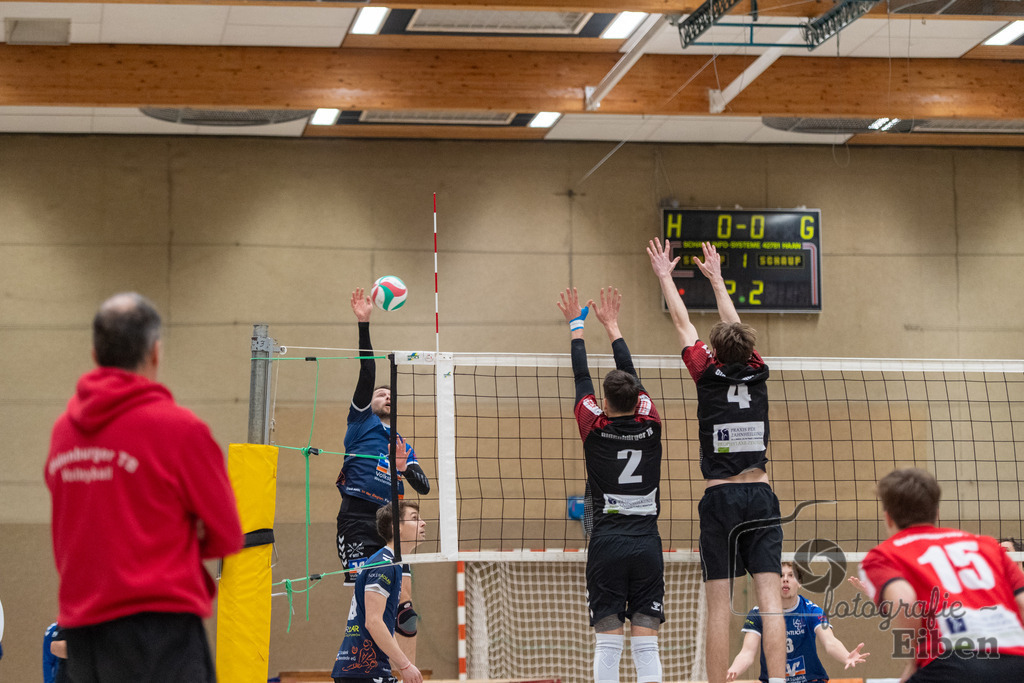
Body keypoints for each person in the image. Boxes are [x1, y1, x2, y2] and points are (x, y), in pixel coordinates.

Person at [44, 292, 243, 683]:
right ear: (155, 352)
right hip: (159, 632)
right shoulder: (180, 429)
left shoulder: (62, 432)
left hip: (82, 632)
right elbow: (227, 535)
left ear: (94, 352)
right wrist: (163, 550)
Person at [647, 238, 785, 683]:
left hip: (722, 499)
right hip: (761, 494)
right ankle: (778, 680)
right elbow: (736, 327)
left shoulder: (706, 373)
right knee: (770, 601)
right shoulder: (758, 369)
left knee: (719, 606)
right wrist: (719, 280)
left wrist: (666, 277)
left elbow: (684, 323)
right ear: (747, 350)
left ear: (714, 351)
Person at [557, 286, 665, 683]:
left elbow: (581, 377)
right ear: (638, 401)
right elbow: (631, 377)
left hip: (607, 543)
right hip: (646, 544)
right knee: (646, 643)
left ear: (605, 404)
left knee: (607, 643)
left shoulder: (593, 425)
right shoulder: (651, 423)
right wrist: (614, 326)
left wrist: (577, 326)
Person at [859, 467, 1024, 682]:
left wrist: (914, 662)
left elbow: (906, 603)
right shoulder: (987, 546)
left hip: (952, 662)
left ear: (888, 518)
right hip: (1016, 663)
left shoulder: (882, 556)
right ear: (936, 512)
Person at [337, 288, 431, 664]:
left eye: (391, 394)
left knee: (404, 613)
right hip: (358, 519)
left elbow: (423, 486)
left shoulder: (401, 443)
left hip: (391, 527)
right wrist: (364, 323)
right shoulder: (361, 423)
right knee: (366, 603)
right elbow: (367, 371)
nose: (385, 395)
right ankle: (358, 667)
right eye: (380, 393)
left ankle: (395, 670)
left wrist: (404, 467)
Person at [332, 500, 427, 683]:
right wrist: (405, 665)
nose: (423, 523)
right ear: (396, 527)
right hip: (362, 669)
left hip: (365, 668)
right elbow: (373, 622)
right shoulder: (384, 564)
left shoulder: (393, 563)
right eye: (415, 518)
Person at [727, 562, 868, 682]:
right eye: (780, 576)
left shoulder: (812, 611)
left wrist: (846, 656)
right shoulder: (759, 613)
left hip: (810, 680)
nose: (785, 580)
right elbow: (747, 653)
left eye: (791, 575)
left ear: (799, 583)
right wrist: (734, 669)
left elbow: (830, 642)